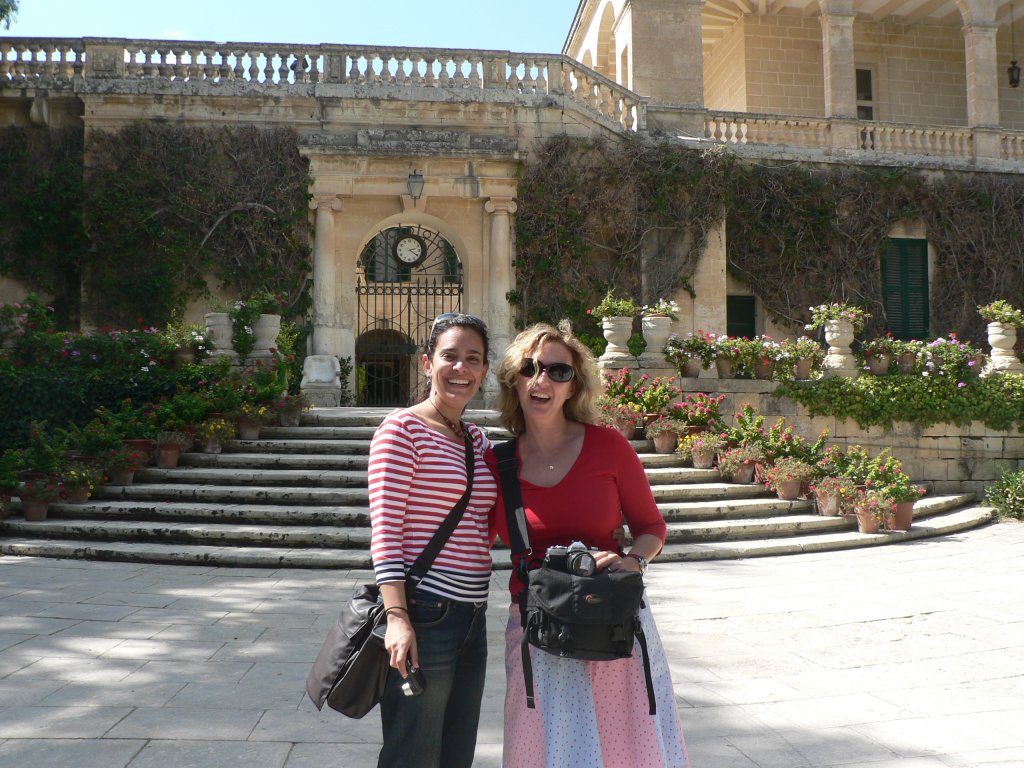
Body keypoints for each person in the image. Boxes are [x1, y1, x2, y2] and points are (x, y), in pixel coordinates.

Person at [487, 320, 689, 768]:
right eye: (530, 368)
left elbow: (651, 527)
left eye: (558, 371)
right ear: (512, 379)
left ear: (573, 385)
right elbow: (472, 540)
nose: (542, 380)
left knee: (621, 749)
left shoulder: (608, 447)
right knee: (541, 750)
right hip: (537, 629)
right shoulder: (497, 464)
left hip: (610, 620)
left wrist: (634, 560)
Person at [368, 312, 498, 768]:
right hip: (425, 614)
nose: (461, 368)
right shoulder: (401, 430)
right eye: (450, 356)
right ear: (427, 363)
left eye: (473, 359)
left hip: (473, 615)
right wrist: (397, 617)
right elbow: (385, 532)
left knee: (456, 752)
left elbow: (485, 520)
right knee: (414, 752)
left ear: (484, 370)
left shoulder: (477, 439)